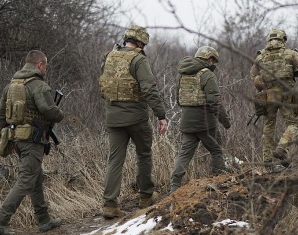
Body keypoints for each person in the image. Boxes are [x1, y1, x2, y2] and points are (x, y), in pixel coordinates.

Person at [0, 50, 64, 235]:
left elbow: (0, 117)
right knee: (25, 181)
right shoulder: (39, 86)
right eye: (45, 65)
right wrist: (60, 114)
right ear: (39, 65)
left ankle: (44, 219)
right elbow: (50, 111)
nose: (45, 69)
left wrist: (7, 138)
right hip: (32, 140)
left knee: (35, 178)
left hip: (18, 139)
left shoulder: (11, 86)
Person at [99, 25, 168, 218]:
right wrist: (161, 115)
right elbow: (149, 89)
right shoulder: (138, 60)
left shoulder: (109, 57)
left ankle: (109, 205)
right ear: (139, 42)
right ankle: (146, 196)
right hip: (136, 118)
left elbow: (103, 86)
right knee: (144, 154)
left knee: (115, 161)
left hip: (113, 118)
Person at [169, 46, 231, 193]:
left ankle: (174, 186)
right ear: (209, 59)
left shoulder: (182, 74)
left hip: (186, 121)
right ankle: (219, 180)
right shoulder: (207, 75)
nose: (214, 64)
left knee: (184, 154)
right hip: (205, 123)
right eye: (213, 61)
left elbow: (179, 99)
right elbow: (214, 102)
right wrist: (225, 121)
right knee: (216, 150)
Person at [250, 29, 298, 172]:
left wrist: (263, 84)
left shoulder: (260, 57)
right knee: (293, 124)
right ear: (283, 40)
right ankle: (282, 147)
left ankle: (267, 163)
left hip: (269, 96)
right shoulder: (291, 53)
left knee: (268, 127)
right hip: (286, 94)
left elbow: (253, 77)